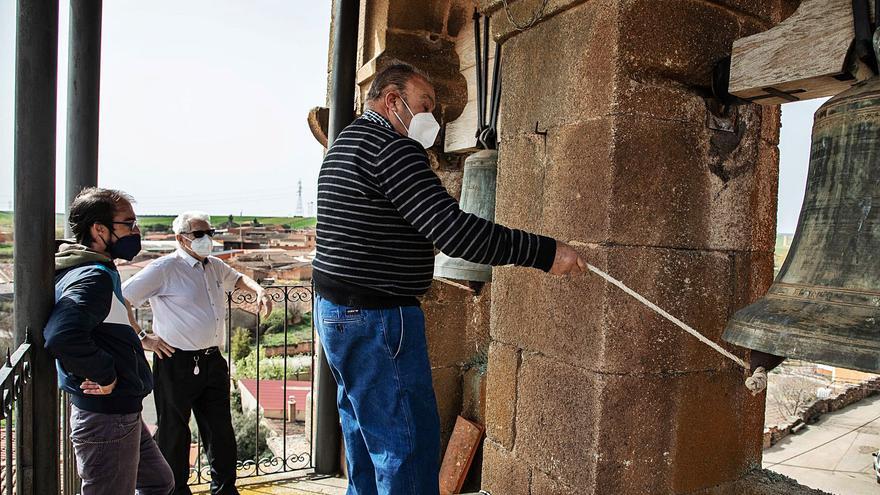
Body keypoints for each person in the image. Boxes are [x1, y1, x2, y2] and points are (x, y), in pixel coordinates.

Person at [312, 61, 586, 495]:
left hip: (336, 315)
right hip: (378, 321)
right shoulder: (392, 148)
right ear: (392, 100)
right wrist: (546, 253)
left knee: (366, 443)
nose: (432, 118)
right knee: (406, 450)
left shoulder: (347, 143)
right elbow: (454, 232)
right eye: (425, 105)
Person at [122, 211, 272, 495]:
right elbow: (123, 298)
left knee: (221, 431)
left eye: (209, 233)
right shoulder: (164, 268)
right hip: (175, 361)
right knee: (175, 432)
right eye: (199, 235)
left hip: (213, 360)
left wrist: (259, 289)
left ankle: (225, 490)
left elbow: (239, 278)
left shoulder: (214, 266)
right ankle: (176, 491)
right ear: (181, 239)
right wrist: (144, 339)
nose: (207, 240)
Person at [44, 187, 174, 495]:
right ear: (99, 230)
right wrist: (106, 374)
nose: (136, 231)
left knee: (159, 482)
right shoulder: (93, 277)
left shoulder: (94, 269)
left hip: (118, 411)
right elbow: (61, 335)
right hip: (106, 415)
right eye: (128, 224)